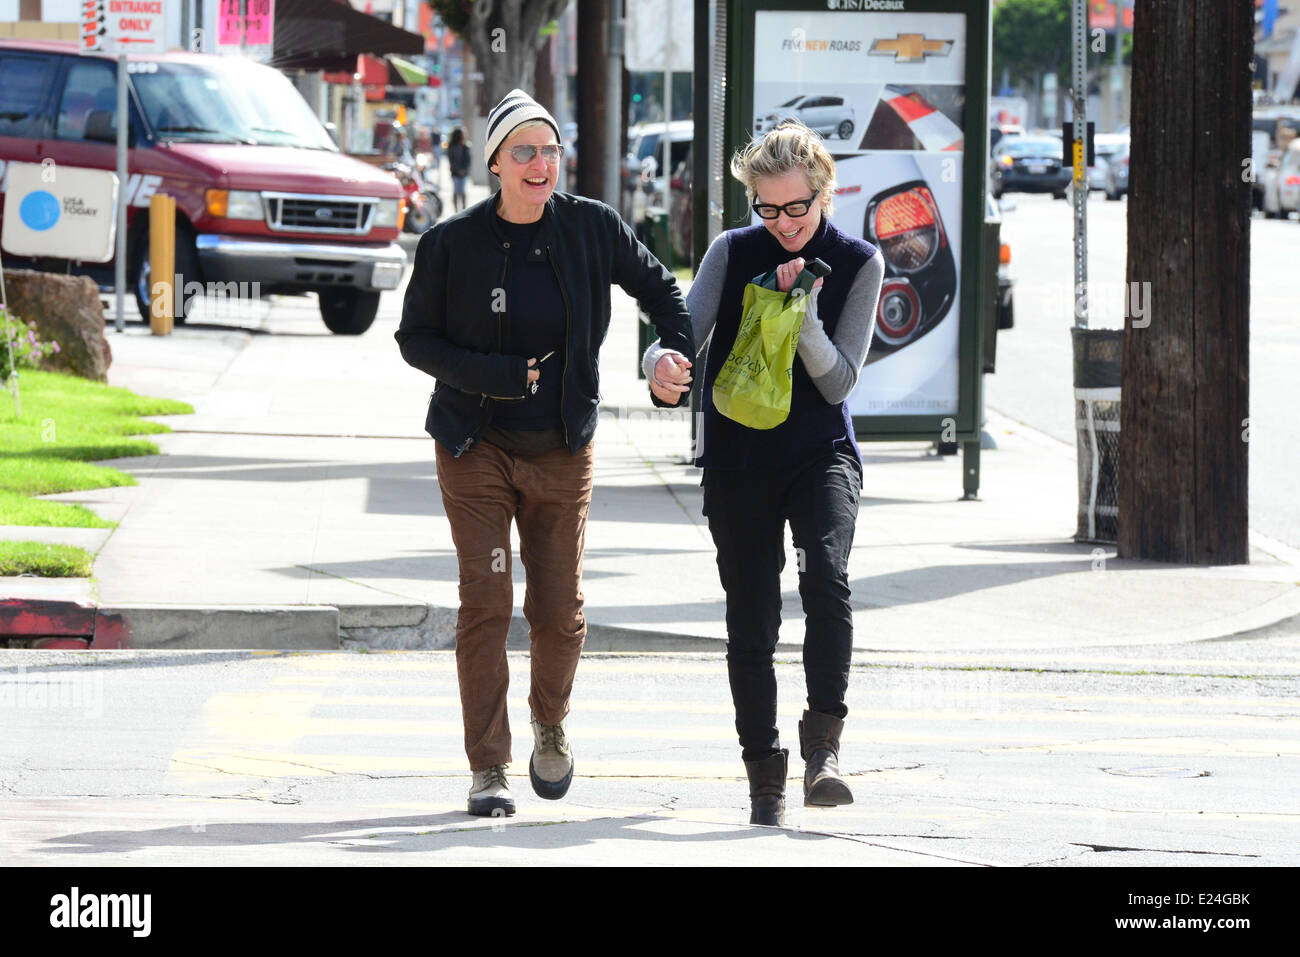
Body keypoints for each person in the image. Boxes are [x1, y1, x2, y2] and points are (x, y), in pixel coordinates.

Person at [396, 90, 695, 817]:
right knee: (487, 600)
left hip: (562, 445)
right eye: (524, 151)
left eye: (550, 150)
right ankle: (488, 766)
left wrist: (668, 355)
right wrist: (496, 375)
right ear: (495, 163)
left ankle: (550, 722)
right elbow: (415, 339)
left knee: (558, 608)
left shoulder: (592, 227)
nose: (541, 163)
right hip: (474, 443)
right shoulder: (450, 243)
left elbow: (663, 291)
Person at [644, 119, 883, 826]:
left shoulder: (859, 263)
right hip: (739, 458)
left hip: (819, 452)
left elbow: (839, 381)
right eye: (767, 208)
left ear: (824, 193)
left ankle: (824, 750)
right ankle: (763, 775)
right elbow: (681, 337)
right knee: (751, 615)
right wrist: (660, 363)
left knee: (826, 577)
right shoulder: (732, 250)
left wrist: (799, 313)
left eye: (796, 207)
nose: (782, 223)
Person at [447, 127, 471, 213]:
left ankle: (464, 209)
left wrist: (464, 170)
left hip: (464, 173)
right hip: (455, 172)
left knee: (463, 191)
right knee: (456, 191)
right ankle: (456, 210)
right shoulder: (452, 146)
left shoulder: (466, 146)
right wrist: (457, 170)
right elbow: (451, 160)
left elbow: (468, 160)